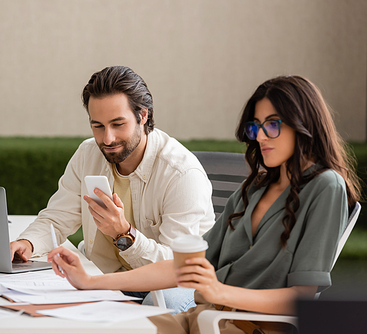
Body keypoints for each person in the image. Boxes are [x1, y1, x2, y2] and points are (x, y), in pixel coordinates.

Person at [47, 75, 361, 333]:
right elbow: (181, 267)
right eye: (255, 126)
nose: (261, 137)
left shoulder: (324, 186)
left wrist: (218, 292)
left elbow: (302, 297)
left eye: (273, 125)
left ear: (302, 125)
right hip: (205, 315)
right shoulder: (254, 188)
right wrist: (91, 282)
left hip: (246, 326)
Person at [10, 66, 215, 313]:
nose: (107, 139)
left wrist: (123, 234)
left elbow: (174, 266)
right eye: (98, 126)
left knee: (161, 305)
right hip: (106, 277)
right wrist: (27, 242)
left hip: (173, 284)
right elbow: (57, 217)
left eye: (118, 124)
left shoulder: (181, 174)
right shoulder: (87, 154)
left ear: (143, 116)